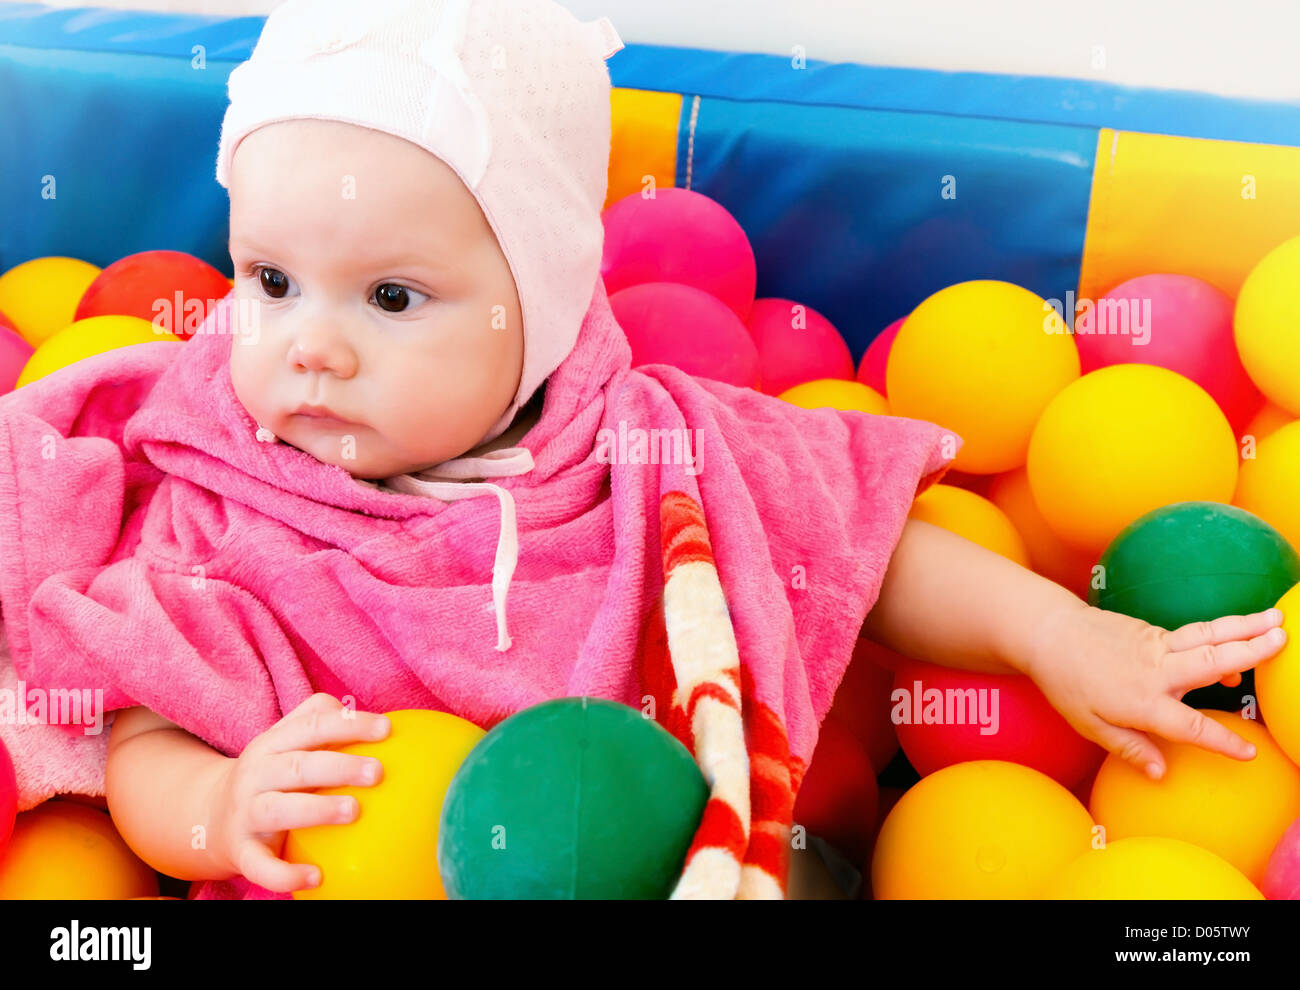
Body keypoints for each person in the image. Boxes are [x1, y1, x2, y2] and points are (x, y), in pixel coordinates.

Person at [2, 0, 1284, 900]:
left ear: (543, 302)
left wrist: (1055, 635)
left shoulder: (651, 447)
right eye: (270, 279)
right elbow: (142, 728)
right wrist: (221, 813)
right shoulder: (226, 493)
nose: (308, 347)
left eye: (391, 299)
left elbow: (863, 549)